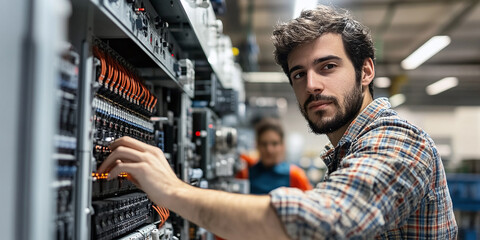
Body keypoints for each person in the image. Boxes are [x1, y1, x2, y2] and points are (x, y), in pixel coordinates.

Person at [98, 5, 458, 239]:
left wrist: (173, 191)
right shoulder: (348, 152)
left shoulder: (397, 140)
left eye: (327, 67)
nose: (312, 85)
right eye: (299, 74)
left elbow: (323, 223)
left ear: (366, 71)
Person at [237, 118, 312, 194]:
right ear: (257, 145)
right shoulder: (246, 173)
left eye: (274, 144)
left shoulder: (295, 175)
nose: (269, 150)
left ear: (282, 145)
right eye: (264, 144)